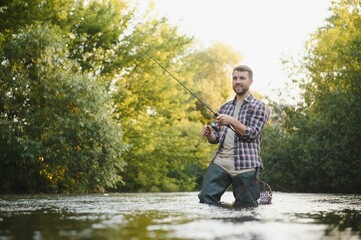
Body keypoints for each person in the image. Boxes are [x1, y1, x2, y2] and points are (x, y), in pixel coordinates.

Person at [198, 65, 270, 207]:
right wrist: (209, 134)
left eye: (242, 78)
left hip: (246, 164)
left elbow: (252, 133)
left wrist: (232, 121)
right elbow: (215, 138)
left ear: (250, 81)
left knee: (246, 207)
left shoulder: (260, 107)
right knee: (206, 199)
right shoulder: (225, 107)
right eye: (235, 78)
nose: (238, 81)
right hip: (221, 161)